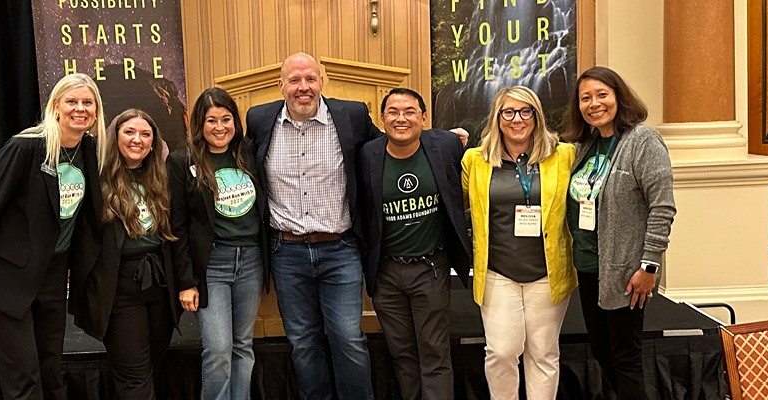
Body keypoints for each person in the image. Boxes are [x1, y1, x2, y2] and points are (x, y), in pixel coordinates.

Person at [0, 73, 105, 400]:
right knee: (24, 379)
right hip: (8, 275)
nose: (79, 109)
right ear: (55, 107)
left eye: (87, 102)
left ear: (96, 111)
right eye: (72, 101)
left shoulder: (88, 149)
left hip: (52, 274)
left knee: (50, 370)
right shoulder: (26, 147)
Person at [244, 52, 380, 400]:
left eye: (310, 79)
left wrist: (438, 141)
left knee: (348, 338)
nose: (303, 88)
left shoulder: (351, 115)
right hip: (285, 252)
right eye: (294, 80)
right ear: (281, 85)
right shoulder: (260, 119)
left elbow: (389, 146)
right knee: (302, 342)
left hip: (340, 250)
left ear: (322, 81)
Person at [563, 66, 676, 399]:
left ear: (618, 97)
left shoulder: (642, 140)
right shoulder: (586, 145)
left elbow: (663, 207)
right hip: (588, 266)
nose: (594, 104)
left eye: (602, 95)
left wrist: (649, 266)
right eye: (586, 98)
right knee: (602, 351)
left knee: (626, 358)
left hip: (627, 271)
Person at [461, 86, 577, 399]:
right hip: (498, 271)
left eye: (526, 111)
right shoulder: (476, 160)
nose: (517, 119)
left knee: (542, 353)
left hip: (547, 272)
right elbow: (454, 204)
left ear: (537, 116)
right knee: (501, 351)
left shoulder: (563, 155)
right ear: (497, 118)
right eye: (508, 112)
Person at [357, 88, 472, 400]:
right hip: (387, 274)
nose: (401, 118)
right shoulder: (368, 154)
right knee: (402, 354)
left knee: (434, 353)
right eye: (393, 111)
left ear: (424, 118)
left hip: (430, 268)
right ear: (382, 119)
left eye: (409, 111)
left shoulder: (446, 144)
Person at [69, 108, 179, 399]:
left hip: (159, 287)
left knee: (153, 369)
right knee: (134, 378)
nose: (137, 140)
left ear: (154, 143)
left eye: (145, 134)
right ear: (115, 138)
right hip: (119, 290)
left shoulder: (163, 179)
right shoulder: (96, 181)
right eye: (129, 132)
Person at [169, 87, 269, 400]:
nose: (219, 127)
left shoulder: (249, 153)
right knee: (218, 350)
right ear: (199, 123)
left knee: (243, 346)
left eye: (226, 119)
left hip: (251, 260)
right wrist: (187, 280)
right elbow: (178, 226)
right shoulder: (181, 161)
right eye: (211, 120)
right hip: (211, 265)